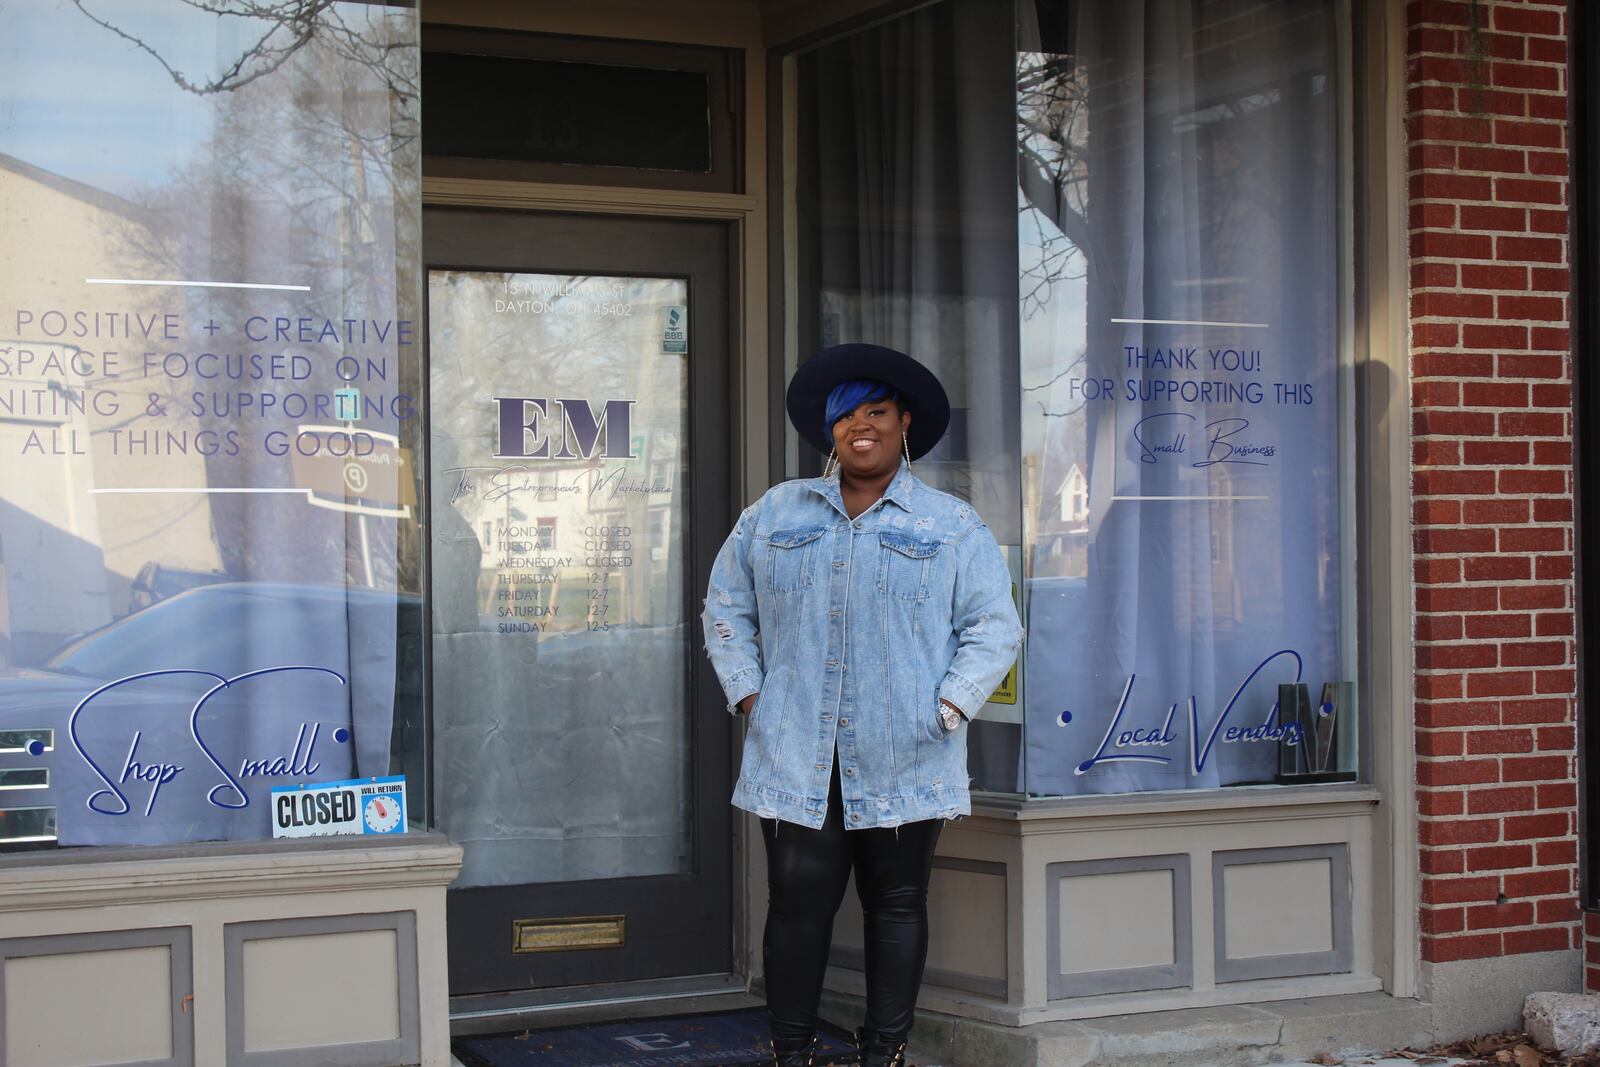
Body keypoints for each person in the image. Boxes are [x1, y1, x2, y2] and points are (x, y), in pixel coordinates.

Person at [702, 343, 1023, 1067]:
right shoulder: (774, 513)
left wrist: (950, 704)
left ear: (904, 421)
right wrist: (751, 692)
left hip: (906, 750)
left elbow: (995, 625)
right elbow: (726, 603)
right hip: (795, 755)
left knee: (897, 905)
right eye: (845, 415)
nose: (861, 426)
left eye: (876, 411)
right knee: (795, 910)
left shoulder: (952, 525)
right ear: (829, 431)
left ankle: (886, 1052)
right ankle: (792, 1050)